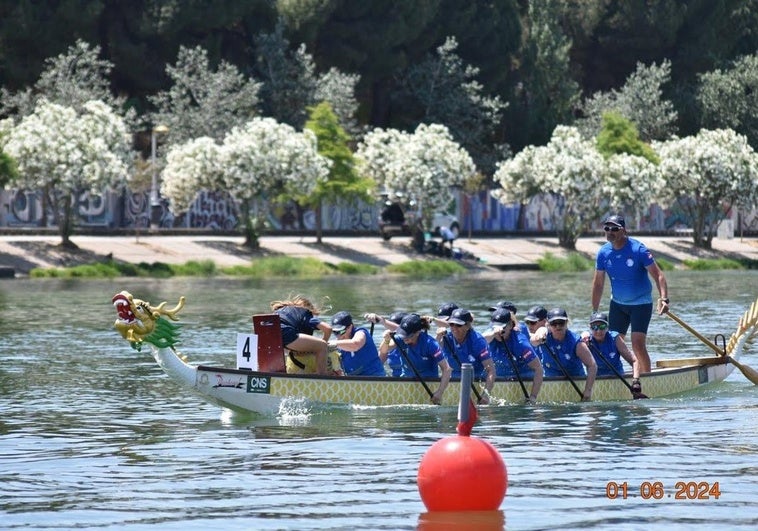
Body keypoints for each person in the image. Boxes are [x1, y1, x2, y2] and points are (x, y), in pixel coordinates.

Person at [591, 214, 669, 373]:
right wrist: (594, 311)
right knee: (613, 343)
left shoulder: (638, 249)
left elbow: (658, 275)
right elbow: (598, 284)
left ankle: (647, 378)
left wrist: (664, 298)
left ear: (624, 231)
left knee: (637, 344)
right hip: (618, 305)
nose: (610, 232)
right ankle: (614, 375)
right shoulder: (603, 253)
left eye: (614, 229)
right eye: (607, 228)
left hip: (641, 304)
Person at [484, 308, 544, 403]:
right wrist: (493, 333)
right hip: (498, 376)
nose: (499, 332)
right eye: (495, 327)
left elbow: (539, 369)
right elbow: (479, 340)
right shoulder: (491, 335)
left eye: (503, 327)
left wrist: (533, 397)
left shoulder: (520, 343)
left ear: (511, 325)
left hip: (523, 377)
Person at [441, 308, 497, 404]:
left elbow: (491, 370)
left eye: (458, 325)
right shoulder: (446, 338)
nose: (454, 328)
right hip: (453, 380)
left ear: (467, 326)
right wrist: (438, 337)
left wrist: (486, 395)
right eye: (451, 324)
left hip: (476, 381)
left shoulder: (478, 341)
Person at [393, 313, 452, 405]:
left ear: (417, 333)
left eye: (408, 336)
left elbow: (447, 369)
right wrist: (386, 340)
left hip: (429, 383)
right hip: (405, 382)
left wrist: (440, 392)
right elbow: (384, 350)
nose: (405, 338)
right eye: (403, 334)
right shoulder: (400, 338)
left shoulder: (430, 344)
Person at [542, 308, 597, 401]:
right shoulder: (543, 338)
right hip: (551, 382)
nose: (558, 326)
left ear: (567, 322)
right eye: (554, 323)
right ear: (548, 324)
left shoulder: (577, 342)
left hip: (576, 382)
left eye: (561, 323)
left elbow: (592, 365)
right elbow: (533, 341)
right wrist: (540, 332)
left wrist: (588, 390)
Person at [270, 295, 331, 375]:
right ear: (309, 309)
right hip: (285, 333)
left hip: (268, 332)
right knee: (322, 346)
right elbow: (328, 329)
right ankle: (321, 375)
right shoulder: (305, 314)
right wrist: (324, 342)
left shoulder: (283, 310)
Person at [585, 311, 642, 393]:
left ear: (607, 327)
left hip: (618, 380)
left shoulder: (615, 338)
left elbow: (634, 361)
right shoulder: (586, 341)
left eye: (602, 326)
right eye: (594, 327)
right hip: (595, 381)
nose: (598, 331)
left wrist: (636, 381)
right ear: (590, 328)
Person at [328, 311, 386, 376]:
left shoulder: (361, 332)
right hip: (354, 381)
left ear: (350, 327)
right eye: (335, 332)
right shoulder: (339, 345)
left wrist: (335, 343)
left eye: (341, 331)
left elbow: (355, 345)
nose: (339, 336)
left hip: (374, 378)